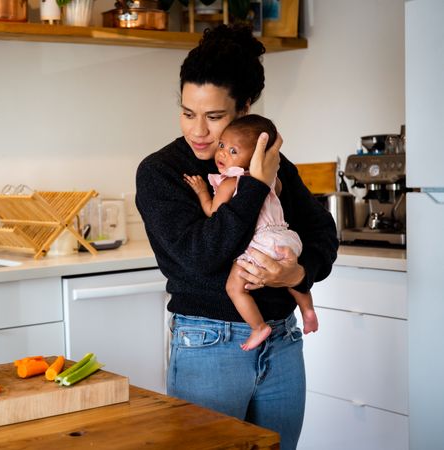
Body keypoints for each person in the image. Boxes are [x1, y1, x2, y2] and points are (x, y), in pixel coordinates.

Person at [135, 24, 338, 450]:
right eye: (188, 113)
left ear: (245, 109)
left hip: (282, 338)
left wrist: (299, 272)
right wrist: (254, 187)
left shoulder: (273, 164)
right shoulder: (161, 173)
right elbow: (201, 257)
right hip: (208, 344)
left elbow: (322, 233)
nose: (199, 132)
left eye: (214, 117)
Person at [183, 114, 319, 352]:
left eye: (234, 151)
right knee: (288, 276)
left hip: (261, 244)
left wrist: (202, 191)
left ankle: (258, 327)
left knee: (234, 287)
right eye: (223, 145)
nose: (223, 153)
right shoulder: (273, 179)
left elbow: (213, 213)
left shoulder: (229, 183)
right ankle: (308, 309)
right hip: (286, 238)